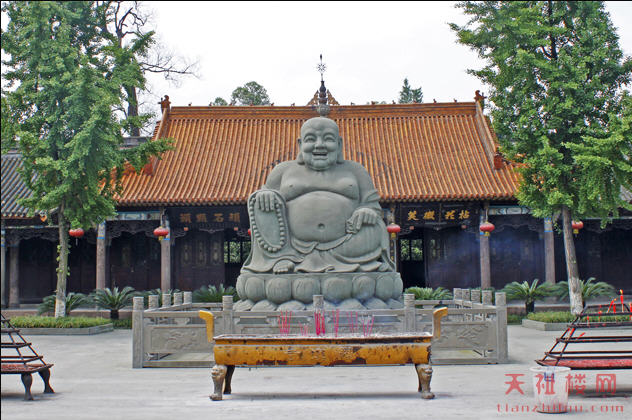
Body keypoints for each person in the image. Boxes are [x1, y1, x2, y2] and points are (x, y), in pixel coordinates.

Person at [242, 116, 394, 274]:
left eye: (328, 139)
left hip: (347, 246)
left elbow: (372, 206)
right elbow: (263, 203)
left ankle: (327, 263)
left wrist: (366, 211)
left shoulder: (356, 170)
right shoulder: (283, 170)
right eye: (310, 139)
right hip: (292, 247)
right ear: (300, 144)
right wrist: (266, 194)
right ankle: (282, 257)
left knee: (375, 228)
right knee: (261, 201)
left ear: (339, 144)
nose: (319, 145)